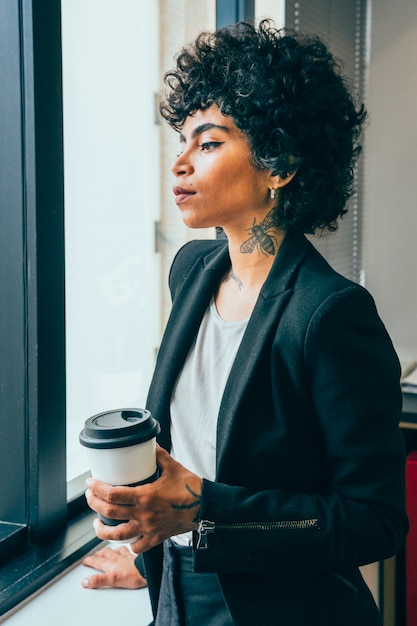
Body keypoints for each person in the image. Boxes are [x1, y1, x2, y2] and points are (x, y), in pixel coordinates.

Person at [83, 20, 408, 626]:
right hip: (181, 592)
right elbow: (199, 443)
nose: (179, 163)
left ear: (278, 163)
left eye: (207, 143)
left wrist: (202, 513)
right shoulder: (191, 271)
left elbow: (374, 521)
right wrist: (161, 552)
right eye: (181, 140)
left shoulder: (330, 314)